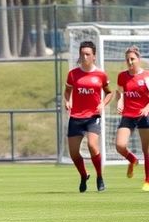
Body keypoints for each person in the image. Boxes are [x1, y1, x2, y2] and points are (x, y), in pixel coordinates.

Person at [63, 41, 112, 193]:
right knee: (73, 153)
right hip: (76, 117)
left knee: (92, 145)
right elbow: (67, 92)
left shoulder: (101, 75)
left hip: (93, 116)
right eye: (82, 54)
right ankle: (84, 175)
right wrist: (67, 101)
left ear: (94, 57)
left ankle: (100, 177)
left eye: (87, 54)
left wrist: (102, 104)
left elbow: (109, 92)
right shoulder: (73, 74)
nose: (84, 57)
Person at [113, 46, 149, 192]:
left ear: (138, 60)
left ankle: (147, 181)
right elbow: (120, 93)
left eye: (132, 59)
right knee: (120, 145)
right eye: (127, 59)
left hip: (144, 115)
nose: (130, 62)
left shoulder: (146, 76)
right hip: (128, 115)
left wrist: (147, 108)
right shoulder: (122, 76)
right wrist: (120, 101)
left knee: (146, 149)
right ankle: (133, 160)